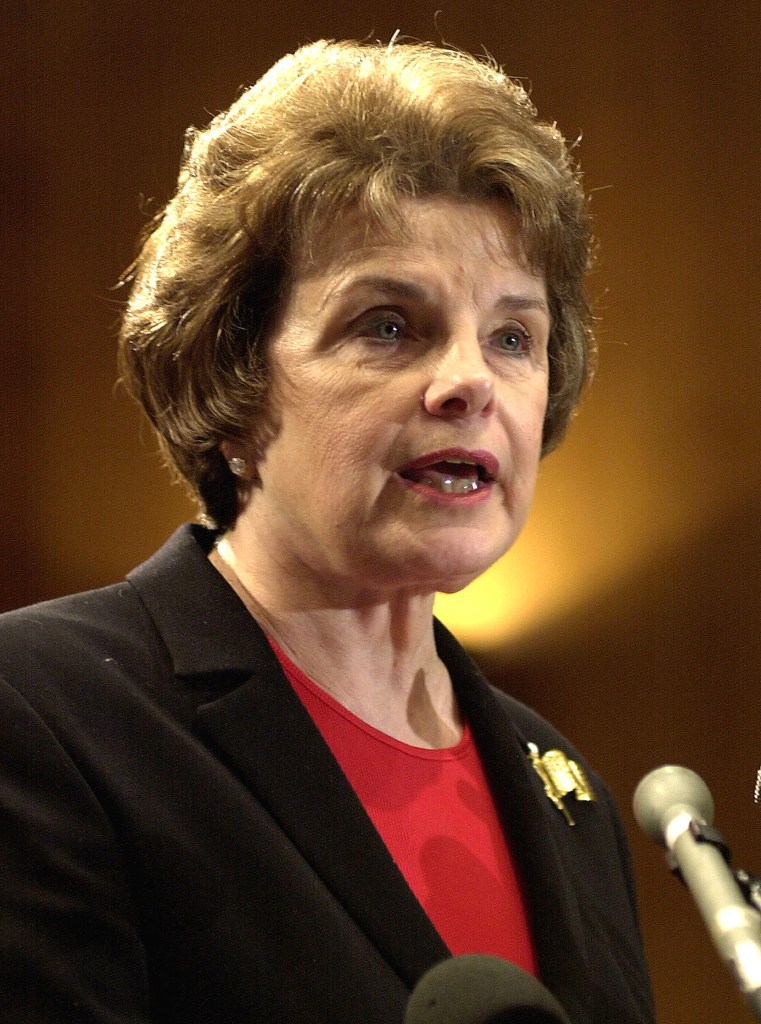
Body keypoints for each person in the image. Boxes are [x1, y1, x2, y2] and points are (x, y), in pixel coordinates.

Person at [0, 39, 655, 1024]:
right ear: (232, 375)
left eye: (512, 335)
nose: (469, 380)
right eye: (389, 325)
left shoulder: (574, 803)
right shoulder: (45, 713)